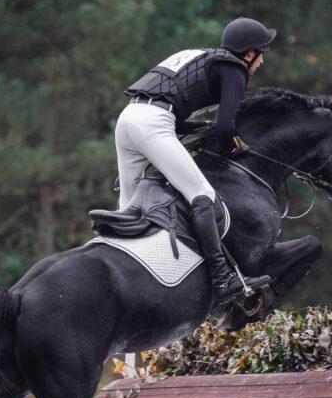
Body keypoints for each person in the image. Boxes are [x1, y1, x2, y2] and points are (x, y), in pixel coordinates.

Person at [114, 17, 276, 305]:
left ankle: (120, 281)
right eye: (261, 53)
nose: (261, 62)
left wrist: (203, 130)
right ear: (249, 54)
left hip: (128, 119)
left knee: (128, 210)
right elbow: (226, 128)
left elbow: (180, 116)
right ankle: (223, 279)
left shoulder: (202, 56)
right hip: (154, 123)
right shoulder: (234, 69)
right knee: (202, 194)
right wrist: (238, 149)